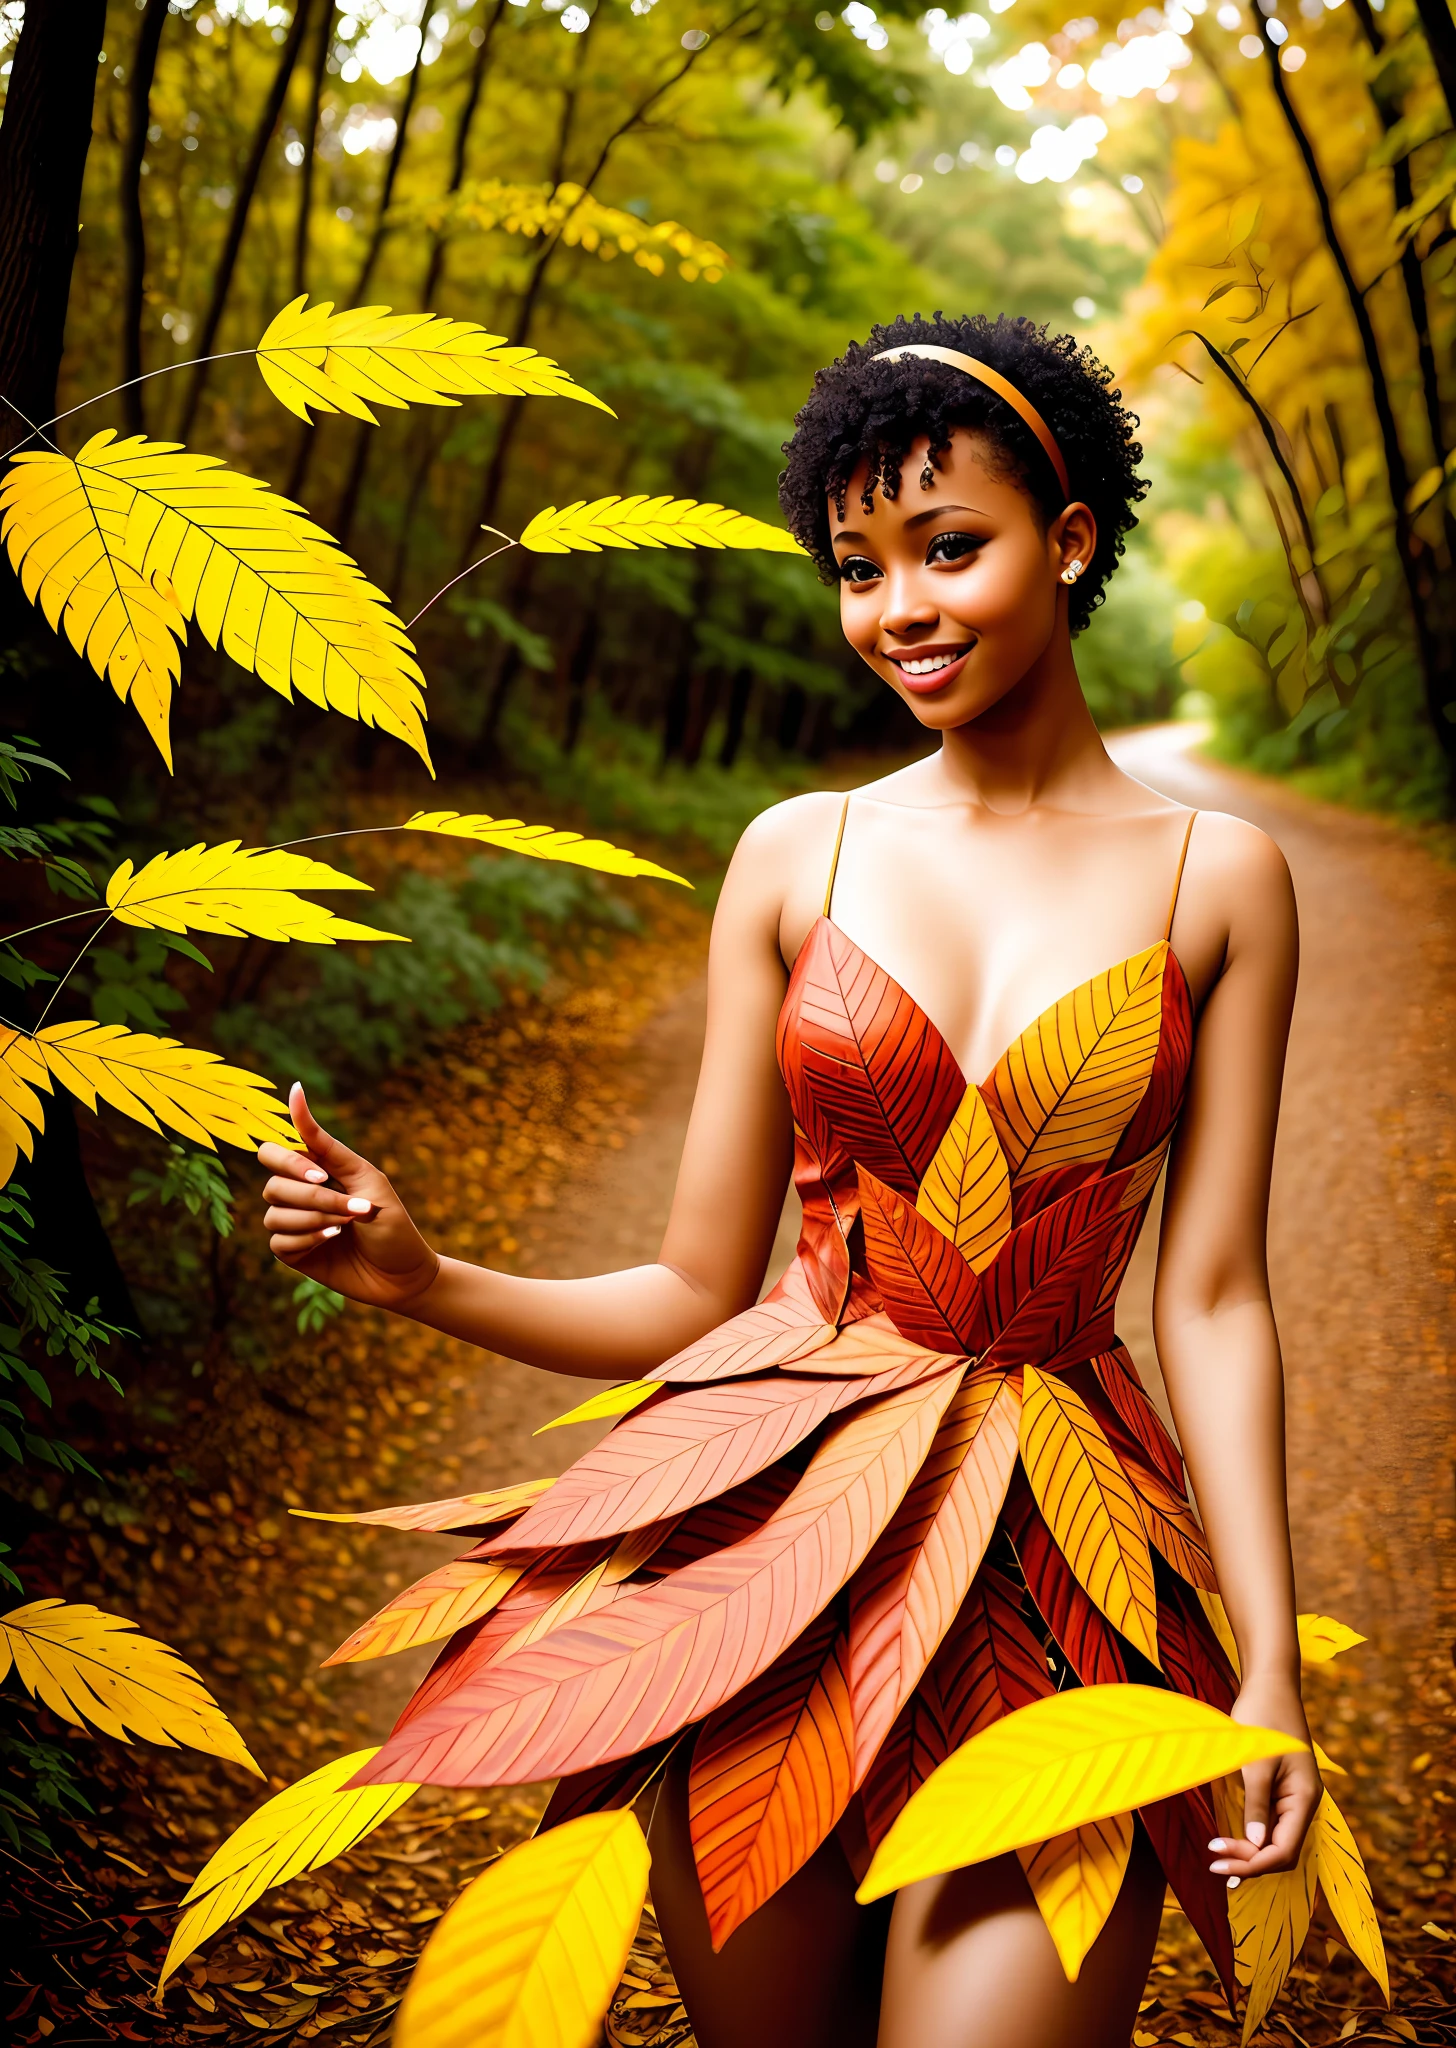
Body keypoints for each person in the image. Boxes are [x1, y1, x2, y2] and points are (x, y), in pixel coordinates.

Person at [257, 313, 1320, 2048]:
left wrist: (1265, 1658)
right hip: (768, 1542)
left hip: (1063, 1564)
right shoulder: (793, 854)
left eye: (949, 548)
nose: (899, 608)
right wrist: (424, 1279)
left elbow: (1212, 1297)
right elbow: (693, 1291)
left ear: (1068, 539)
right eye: (858, 567)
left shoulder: (1225, 875)